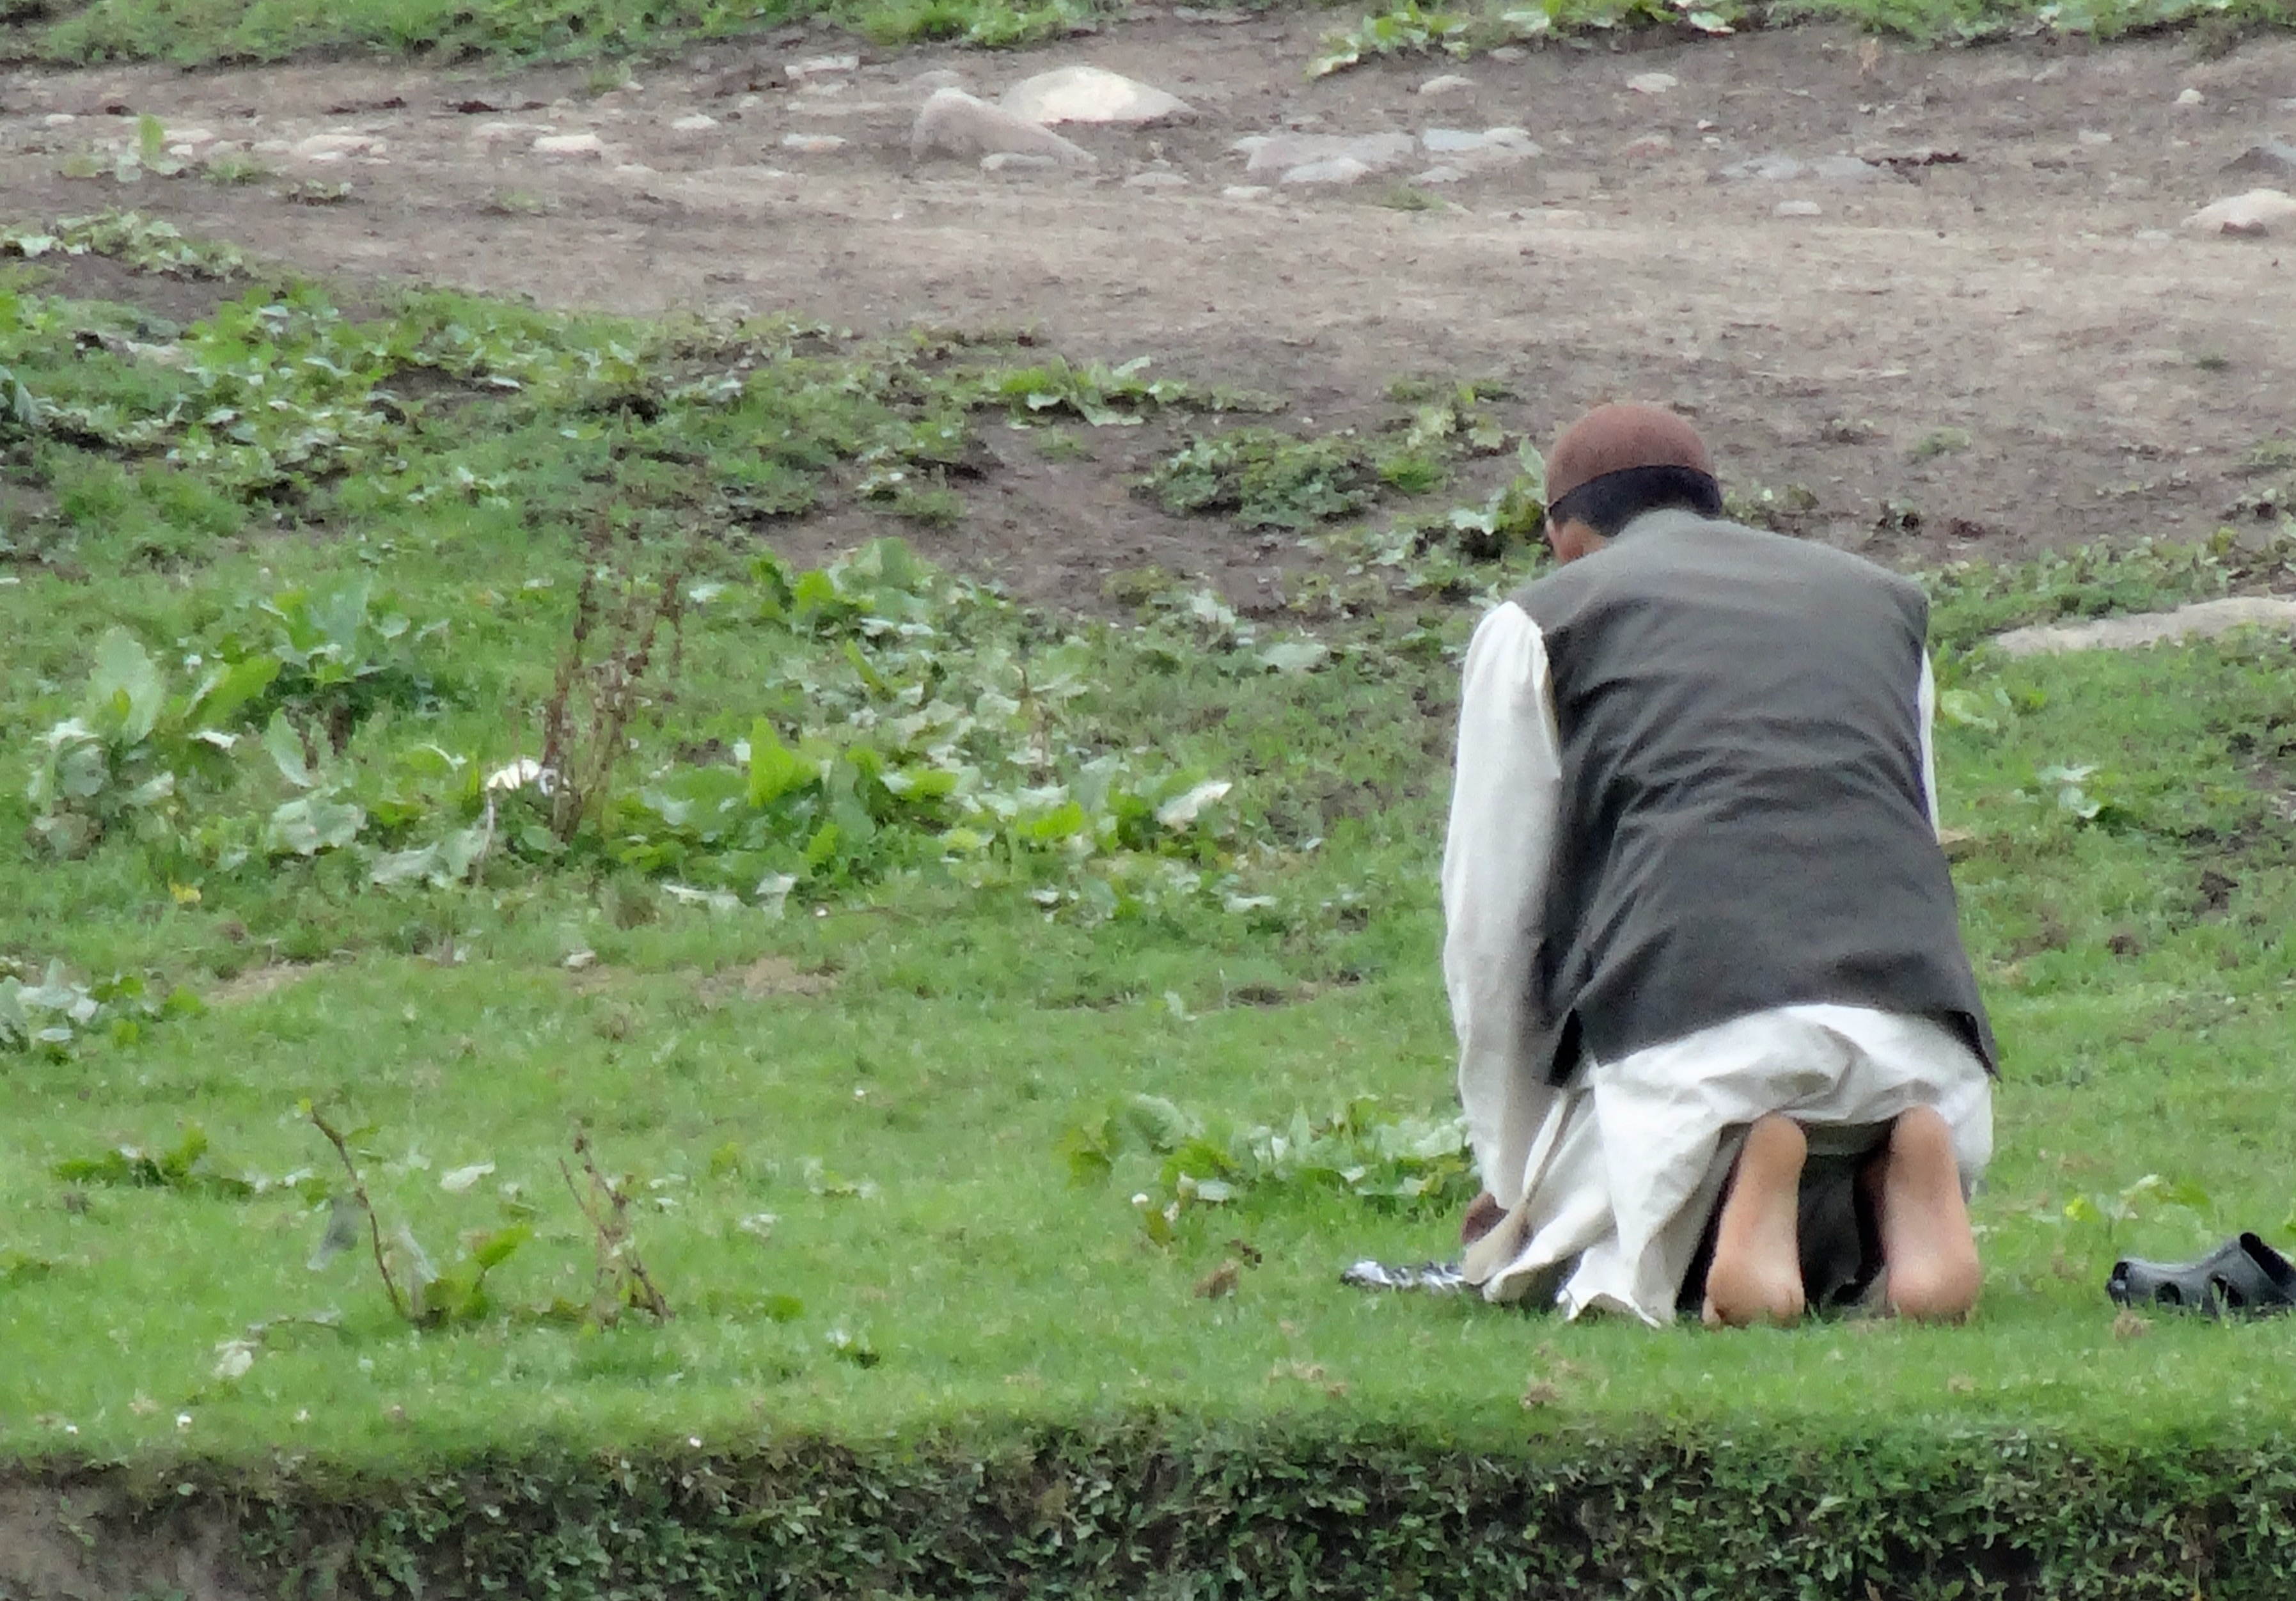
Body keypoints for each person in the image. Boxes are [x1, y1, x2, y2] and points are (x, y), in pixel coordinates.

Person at [1442, 403, 1997, 1328]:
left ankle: (1750, 1197)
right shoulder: (1883, 606)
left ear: (1563, 540)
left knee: (1591, 1216)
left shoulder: (1538, 621)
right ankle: (1895, 1188)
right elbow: (1916, 833)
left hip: (1697, 1056)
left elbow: (1491, 931)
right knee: (1834, 1119)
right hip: (1924, 1048)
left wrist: (1513, 1178)